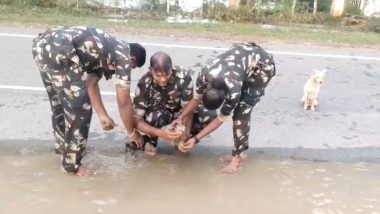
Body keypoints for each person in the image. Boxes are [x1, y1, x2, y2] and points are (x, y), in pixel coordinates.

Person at [32, 26, 146, 176]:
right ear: (133, 60)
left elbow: (91, 83)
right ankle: (71, 165)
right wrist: (131, 132)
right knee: (81, 109)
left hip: (42, 45)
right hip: (61, 48)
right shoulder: (124, 56)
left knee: (60, 103)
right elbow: (123, 102)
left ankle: (64, 150)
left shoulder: (107, 48)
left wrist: (103, 116)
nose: (129, 69)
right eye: (133, 67)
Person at [172, 42, 276, 173]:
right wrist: (181, 118)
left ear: (225, 97)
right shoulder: (204, 77)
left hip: (261, 66)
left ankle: (237, 159)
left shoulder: (233, 92)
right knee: (239, 109)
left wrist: (195, 139)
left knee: (241, 113)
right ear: (206, 89)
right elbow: (195, 98)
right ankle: (240, 151)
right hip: (240, 58)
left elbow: (221, 119)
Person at [128, 52, 217, 155]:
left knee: (208, 116)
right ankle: (151, 140)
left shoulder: (183, 77)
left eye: (167, 74)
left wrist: (185, 133)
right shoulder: (144, 83)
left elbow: (189, 107)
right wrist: (161, 133)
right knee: (151, 117)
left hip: (180, 114)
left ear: (171, 68)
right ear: (150, 70)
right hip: (158, 114)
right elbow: (136, 120)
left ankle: (184, 140)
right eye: (158, 75)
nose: (163, 79)